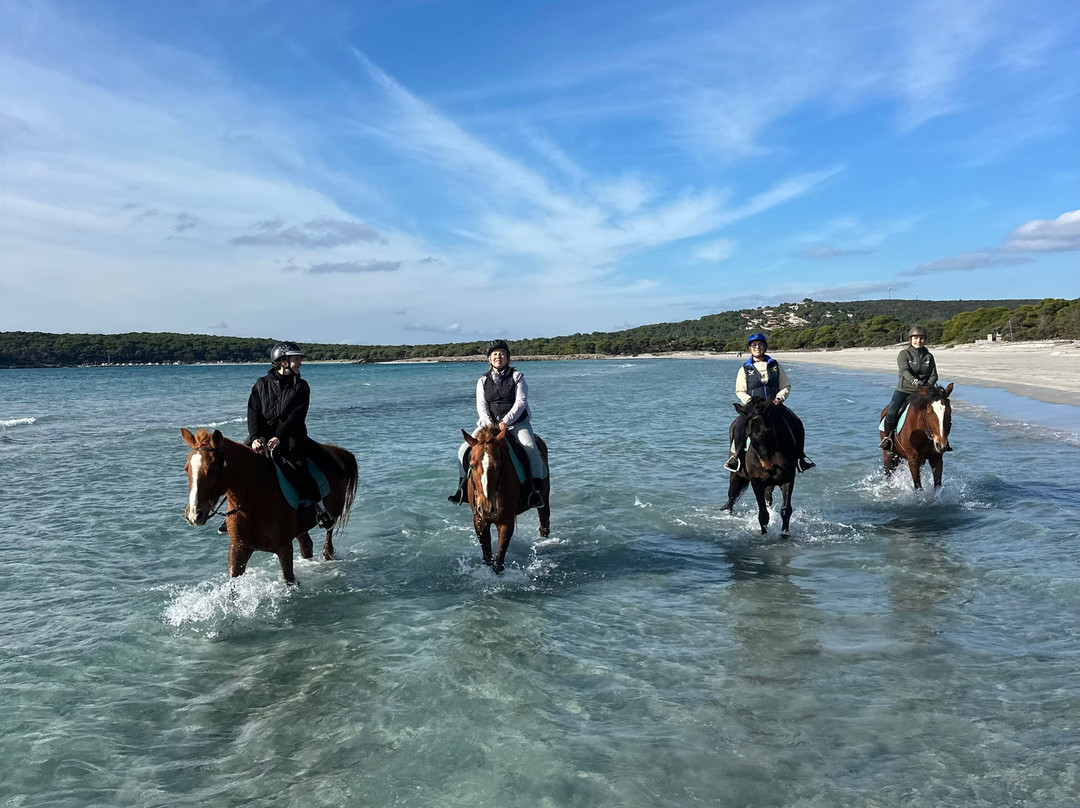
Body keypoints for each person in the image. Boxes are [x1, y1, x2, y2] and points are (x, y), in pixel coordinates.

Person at [220, 341, 336, 533]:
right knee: (235, 467)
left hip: (291, 436)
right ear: (283, 362)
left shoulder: (302, 387)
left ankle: (320, 509)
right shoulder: (260, 384)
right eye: (296, 359)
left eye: (299, 360)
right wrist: (255, 436)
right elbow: (253, 413)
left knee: (299, 468)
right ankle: (232, 513)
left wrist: (279, 437)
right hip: (261, 437)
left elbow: (296, 417)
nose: (300, 363)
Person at [448, 339, 547, 508]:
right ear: (489, 359)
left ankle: (535, 491)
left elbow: (521, 402)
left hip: (516, 424)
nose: (498, 357)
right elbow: (481, 405)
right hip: (489, 425)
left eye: (501, 354)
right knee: (463, 450)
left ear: (507, 358)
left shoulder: (517, 377)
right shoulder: (482, 381)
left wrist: (505, 422)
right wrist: (489, 424)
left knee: (530, 448)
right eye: (494, 354)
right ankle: (462, 488)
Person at [723, 332, 815, 475]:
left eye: (760, 344)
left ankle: (800, 458)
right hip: (754, 408)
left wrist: (779, 398)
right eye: (754, 345)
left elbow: (785, 385)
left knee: (796, 423)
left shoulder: (775, 365)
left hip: (774, 406)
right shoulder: (744, 369)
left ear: (765, 346)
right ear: (749, 349)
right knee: (738, 427)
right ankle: (736, 458)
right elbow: (739, 390)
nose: (757, 347)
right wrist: (750, 402)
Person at [879, 325, 942, 451]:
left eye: (922, 338)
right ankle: (888, 439)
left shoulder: (929, 356)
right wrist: (915, 382)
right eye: (916, 338)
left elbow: (934, 375)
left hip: (924, 391)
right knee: (891, 412)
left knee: (940, 412)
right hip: (905, 389)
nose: (918, 341)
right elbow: (904, 371)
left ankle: (942, 439)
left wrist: (926, 386)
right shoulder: (904, 354)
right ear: (910, 339)